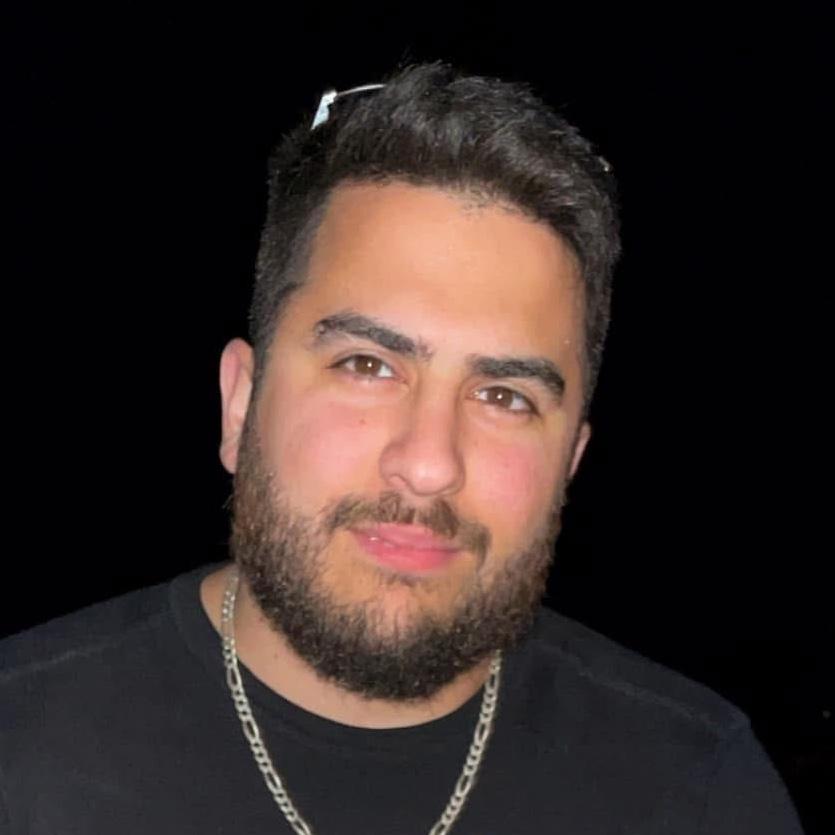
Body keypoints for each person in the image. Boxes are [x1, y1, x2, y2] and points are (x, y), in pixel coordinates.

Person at [0, 62, 804, 834]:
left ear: (570, 461)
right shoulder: (21, 748)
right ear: (240, 404)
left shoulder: (696, 789)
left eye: (504, 396)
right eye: (367, 365)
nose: (427, 464)